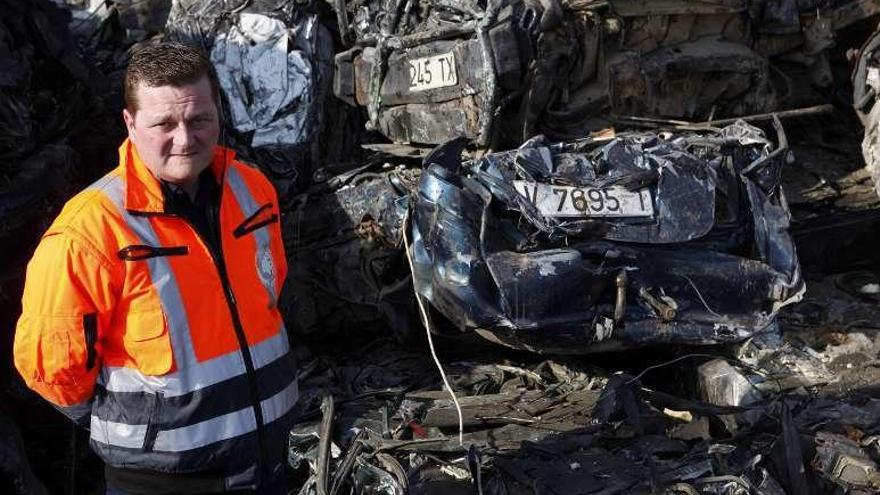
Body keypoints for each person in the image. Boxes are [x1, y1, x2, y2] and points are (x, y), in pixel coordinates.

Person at [13, 42, 297, 493]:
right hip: (160, 481)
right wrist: (144, 429)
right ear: (129, 123)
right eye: (164, 123)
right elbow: (53, 371)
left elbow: (269, 292)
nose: (185, 139)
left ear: (217, 112)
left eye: (199, 119)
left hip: (271, 460)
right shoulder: (90, 231)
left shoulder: (254, 192)